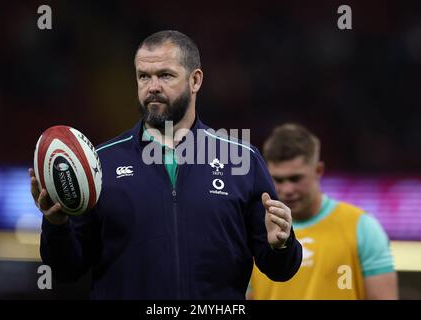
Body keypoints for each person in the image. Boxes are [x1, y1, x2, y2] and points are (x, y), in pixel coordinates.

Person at [29, 30, 302, 299]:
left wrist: (282, 245)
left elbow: (280, 270)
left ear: (195, 81)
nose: (153, 86)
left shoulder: (243, 160)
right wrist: (56, 224)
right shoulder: (98, 165)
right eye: (143, 76)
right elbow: (67, 270)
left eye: (165, 75)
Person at [248, 123, 398, 300]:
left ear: (318, 170)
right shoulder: (257, 231)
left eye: (295, 178)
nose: (287, 189)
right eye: (278, 180)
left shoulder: (361, 227)